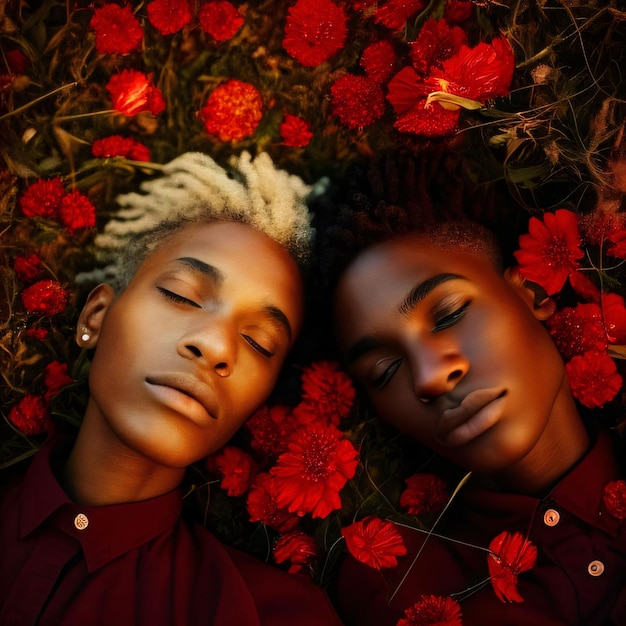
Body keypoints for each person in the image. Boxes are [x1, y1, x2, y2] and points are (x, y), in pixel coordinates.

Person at [0, 160, 344, 625]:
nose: (216, 346)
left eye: (259, 342)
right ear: (95, 318)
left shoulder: (271, 614)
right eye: (182, 296)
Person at [327, 216, 626, 625]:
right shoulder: (403, 591)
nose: (430, 376)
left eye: (449, 314)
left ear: (531, 294)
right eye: (384, 370)